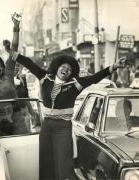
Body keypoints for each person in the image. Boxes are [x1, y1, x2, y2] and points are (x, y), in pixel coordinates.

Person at [8, 50, 127, 179]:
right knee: (46, 161)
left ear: (72, 73)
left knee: (64, 163)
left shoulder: (75, 84)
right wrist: (14, 54)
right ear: (57, 67)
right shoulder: (45, 77)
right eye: (63, 66)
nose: (65, 69)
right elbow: (30, 64)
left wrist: (114, 66)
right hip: (46, 127)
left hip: (63, 128)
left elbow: (95, 78)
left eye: (69, 69)